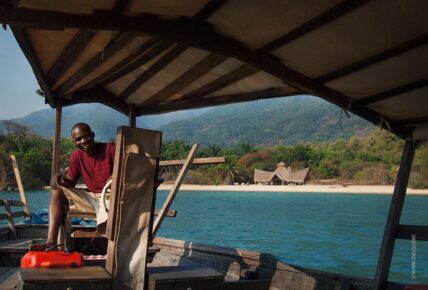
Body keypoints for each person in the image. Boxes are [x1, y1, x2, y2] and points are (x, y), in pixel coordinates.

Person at [31, 123, 115, 251]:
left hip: (111, 197)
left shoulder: (109, 149)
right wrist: (60, 178)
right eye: (78, 139)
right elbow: (71, 182)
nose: (83, 141)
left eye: (86, 137)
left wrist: (116, 176)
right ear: (74, 142)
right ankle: (51, 242)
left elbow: (126, 170)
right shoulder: (76, 156)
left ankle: (114, 246)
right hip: (91, 198)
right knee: (57, 191)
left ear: (92, 135)